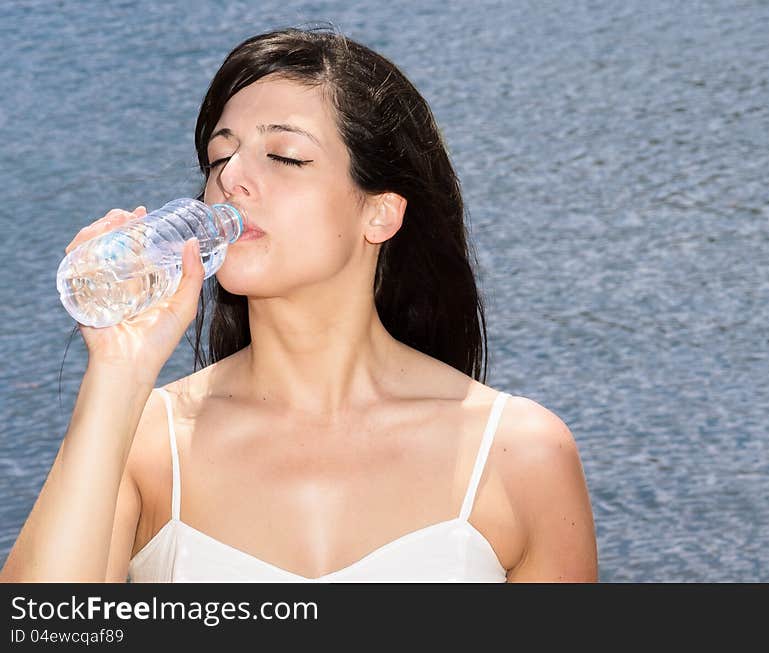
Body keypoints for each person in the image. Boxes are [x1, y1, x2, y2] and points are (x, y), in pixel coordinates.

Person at [0, 26, 597, 582]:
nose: (232, 177)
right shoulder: (145, 444)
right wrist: (116, 374)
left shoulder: (520, 453)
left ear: (380, 212)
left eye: (285, 156)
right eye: (218, 157)